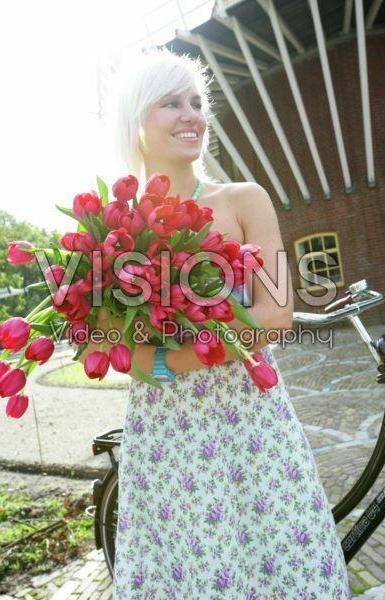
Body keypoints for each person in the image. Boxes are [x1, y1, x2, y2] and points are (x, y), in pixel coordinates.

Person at [85, 47, 352, 599]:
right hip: (168, 432)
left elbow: (276, 313)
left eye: (196, 102)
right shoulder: (116, 231)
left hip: (252, 421)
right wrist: (181, 349)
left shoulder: (243, 201)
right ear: (138, 122)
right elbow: (115, 344)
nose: (191, 114)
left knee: (283, 557)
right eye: (171, 103)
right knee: (192, 566)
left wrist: (169, 358)